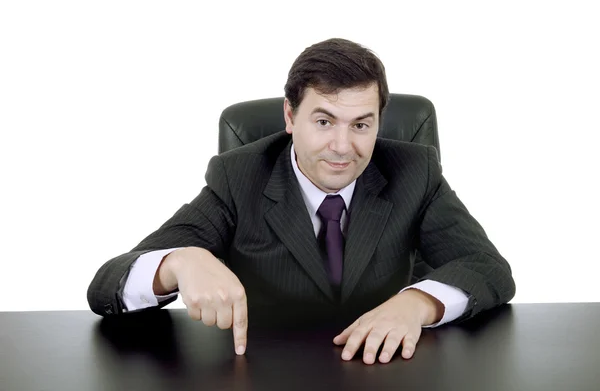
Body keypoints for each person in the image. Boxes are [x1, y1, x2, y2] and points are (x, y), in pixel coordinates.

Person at [87, 38, 516, 365]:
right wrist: (178, 262)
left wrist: (417, 304)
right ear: (290, 117)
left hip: (389, 370)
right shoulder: (239, 177)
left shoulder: (413, 170)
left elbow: (488, 267)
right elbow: (106, 286)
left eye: (362, 124)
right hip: (264, 371)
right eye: (324, 121)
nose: (343, 146)